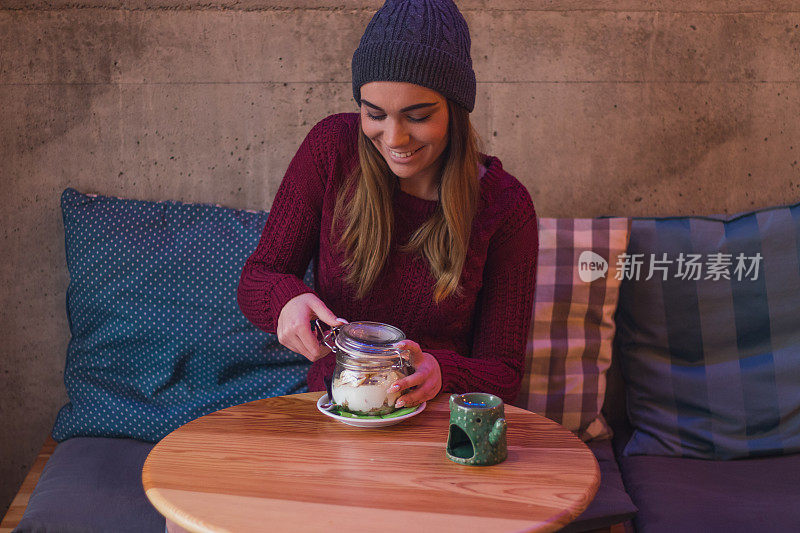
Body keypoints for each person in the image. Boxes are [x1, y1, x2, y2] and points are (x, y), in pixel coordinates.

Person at [237, 0, 538, 409]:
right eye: (374, 113)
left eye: (417, 115)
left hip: (436, 422)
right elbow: (259, 275)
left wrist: (442, 372)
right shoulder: (331, 150)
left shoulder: (506, 206)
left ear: (456, 110)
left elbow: (503, 373)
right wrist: (285, 301)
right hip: (334, 410)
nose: (394, 138)